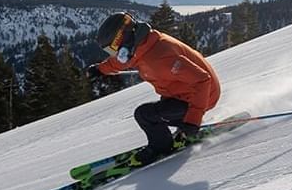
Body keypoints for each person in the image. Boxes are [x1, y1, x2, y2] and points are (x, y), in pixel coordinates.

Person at [86, 12, 221, 166]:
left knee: (144, 114)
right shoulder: (144, 44)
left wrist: (193, 120)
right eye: (111, 51)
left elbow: (202, 80)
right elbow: (122, 62)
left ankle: (161, 147)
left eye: (114, 48)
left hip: (203, 95)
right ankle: (176, 132)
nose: (115, 53)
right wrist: (100, 69)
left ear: (123, 38)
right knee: (157, 112)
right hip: (182, 93)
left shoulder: (160, 57)